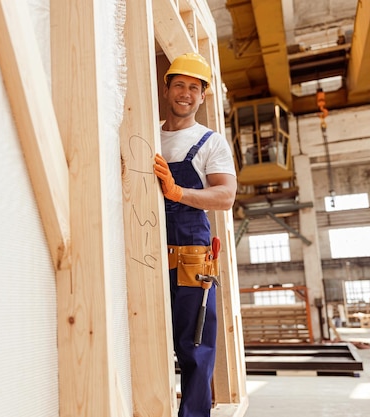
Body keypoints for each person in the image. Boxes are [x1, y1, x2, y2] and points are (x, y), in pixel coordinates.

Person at [153, 52, 237, 417]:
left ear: (203, 96)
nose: (185, 93)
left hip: (191, 258)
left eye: (193, 87)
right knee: (146, 334)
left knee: (194, 347)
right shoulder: (148, 134)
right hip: (147, 251)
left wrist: (178, 193)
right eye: (179, 85)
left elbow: (225, 196)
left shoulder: (210, 142)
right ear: (167, 88)